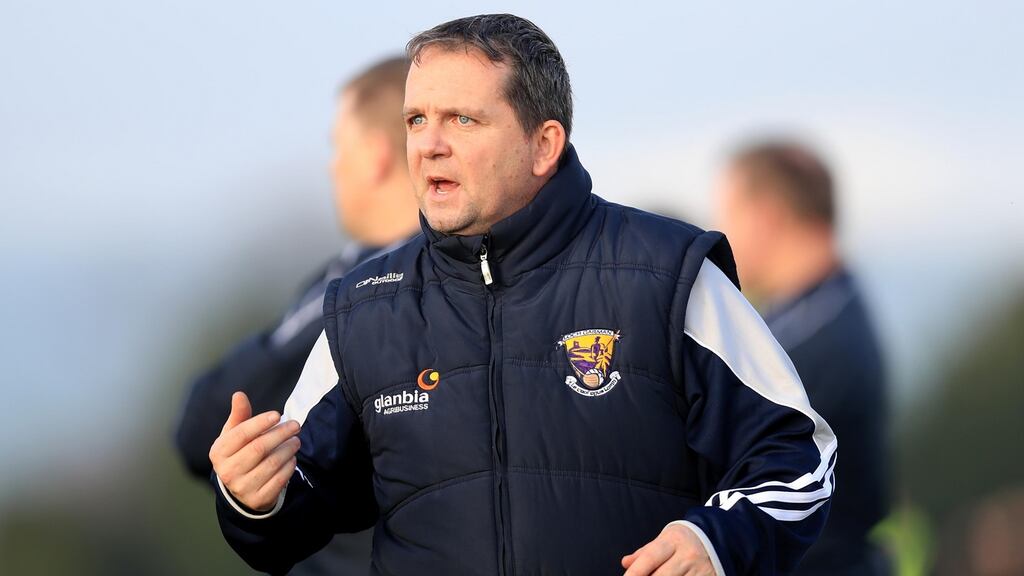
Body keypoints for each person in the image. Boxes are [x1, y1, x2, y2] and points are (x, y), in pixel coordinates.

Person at [210, 14, 837, 576]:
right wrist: (253, 498)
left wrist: (718, 540)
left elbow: (798, 458)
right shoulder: (364, 306)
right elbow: (298, 506)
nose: (430, 143)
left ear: (544, 145)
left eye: (462, 118)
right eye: (416, 120)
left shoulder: (667, 273)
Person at [174, 56, 419, 575]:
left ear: (375, 157)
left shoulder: (359, 288)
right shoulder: (472, 271)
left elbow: (201, 425)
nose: (332, 165)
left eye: (338, 147)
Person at [714, 140, 889, 575]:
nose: (719, 233)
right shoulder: (822, 309)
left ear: (766, 216)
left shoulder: (815, 344)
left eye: (729, 213)